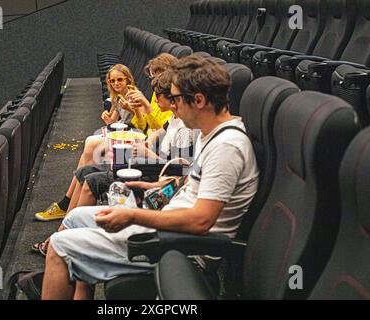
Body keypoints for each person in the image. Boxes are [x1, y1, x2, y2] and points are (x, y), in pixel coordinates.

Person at [41, 55, 259, 300]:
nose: (171, 106)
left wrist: (132, 215)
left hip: (181, 248)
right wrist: (157, 184)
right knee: (75, 218)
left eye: (175, 99)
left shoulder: (227, 147)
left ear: (198, 100)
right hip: (171, 228)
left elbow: (201, 221)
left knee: (60, 247)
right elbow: (193, 182)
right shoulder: (209, 135)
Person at [31, 68, 195, 256]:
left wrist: (147, 152)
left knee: (92, 181)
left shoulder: (187, 127)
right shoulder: (175, 119)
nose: (156, 101)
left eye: (161, 97)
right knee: (85, 171)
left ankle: (60, 240)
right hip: (150, 162)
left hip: (154, 171)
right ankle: (62, 228)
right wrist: (149, 142)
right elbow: (160, 131)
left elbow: (179, 169)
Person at [34, 55, 179, 222]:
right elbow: (150, 126)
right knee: (88, 155)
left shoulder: (178, 116)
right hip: (144, 143)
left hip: (147, 153)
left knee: (91, 151)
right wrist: (138, 118)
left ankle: (67, 208)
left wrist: (142, 109)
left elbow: (151, 130)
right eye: (152, 76)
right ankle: (67, 207)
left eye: (157, 76)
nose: (153, 81)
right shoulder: (159, 98)